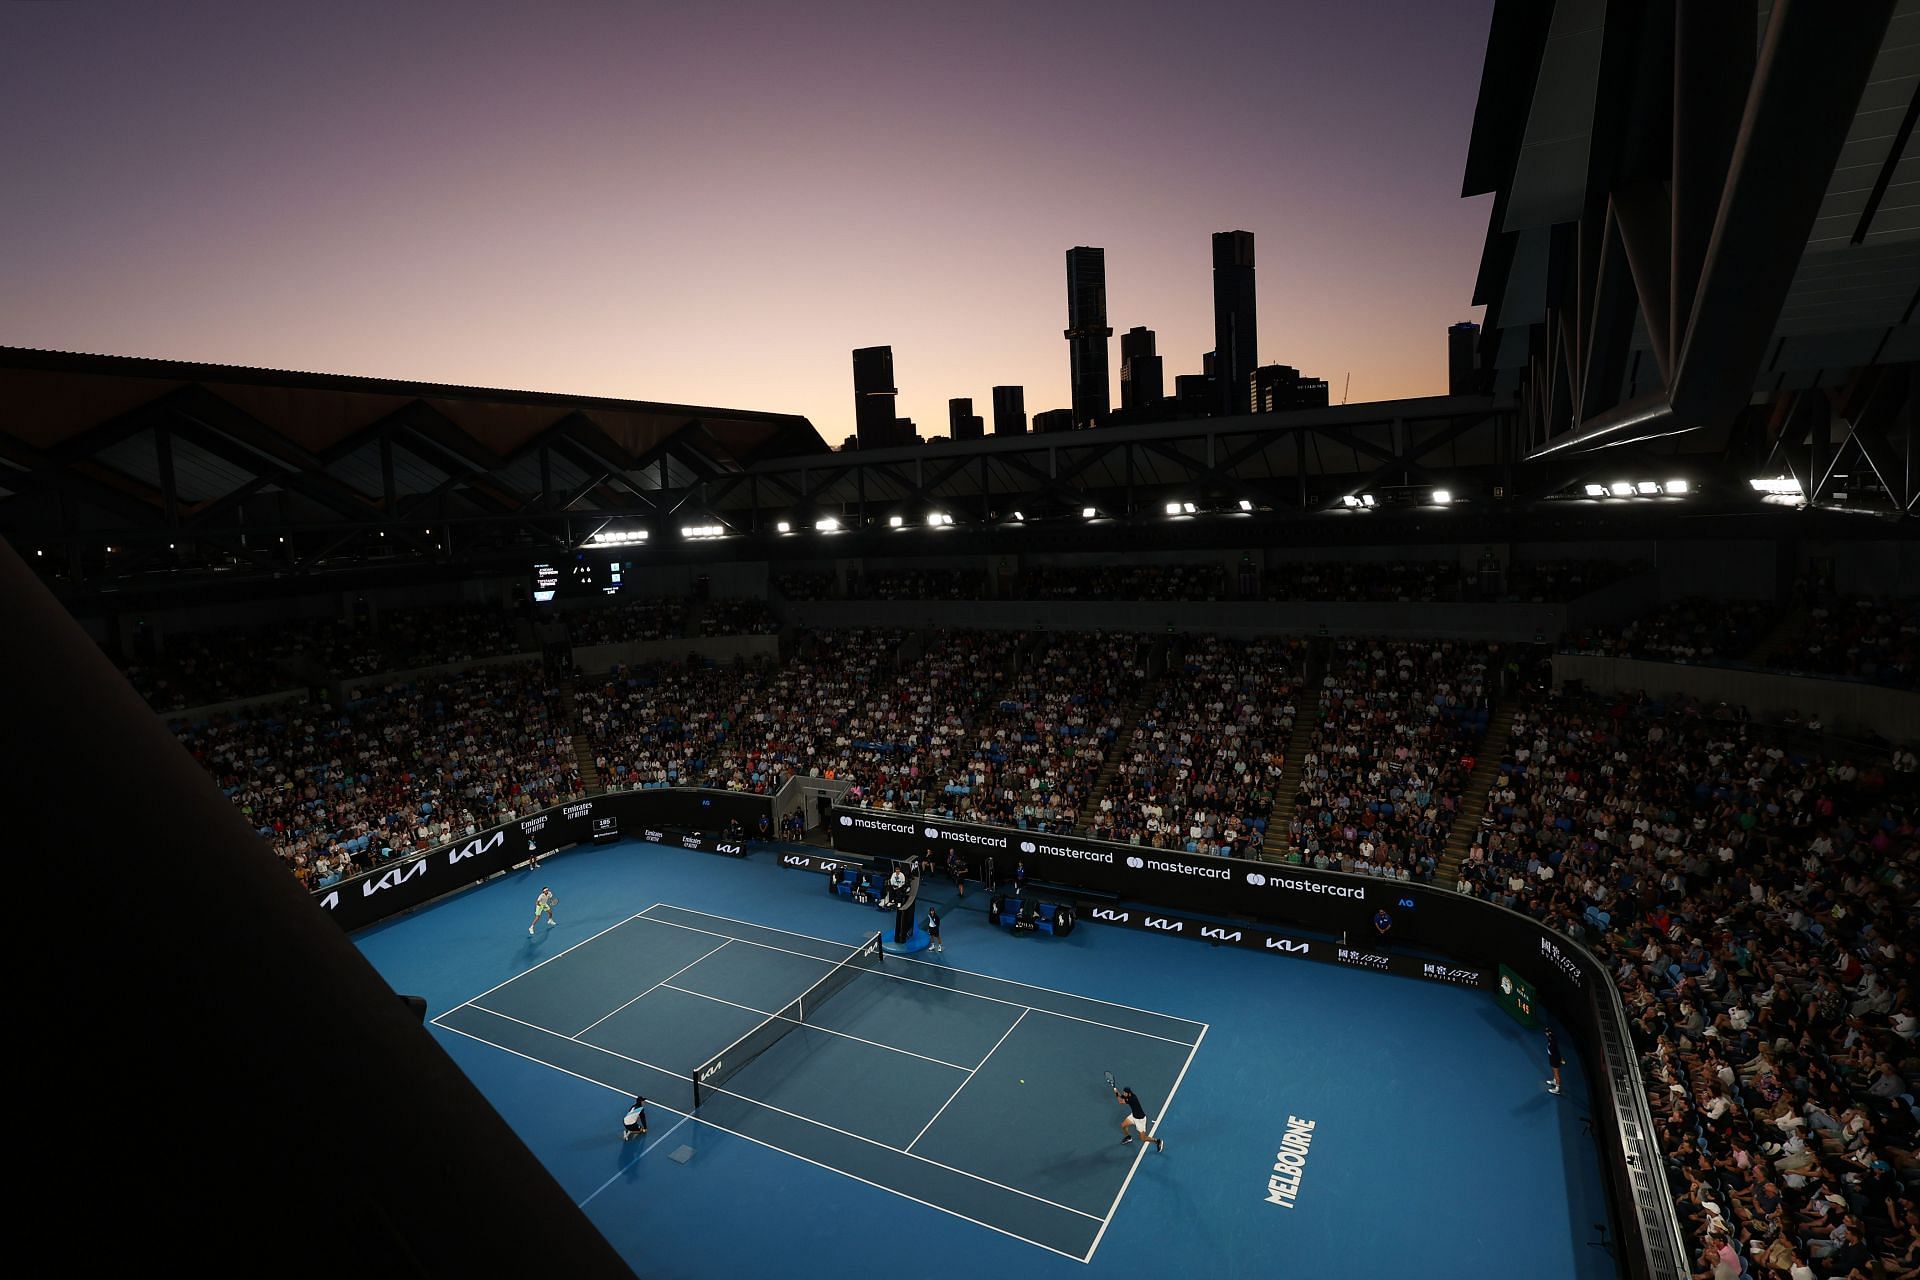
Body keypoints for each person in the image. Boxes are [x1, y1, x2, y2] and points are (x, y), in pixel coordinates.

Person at [1115, 1085, 1164, 1152]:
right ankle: (1128, 1137)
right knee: (1123, 1125)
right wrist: (1116, 1090)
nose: (1124, 1094)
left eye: (1125, 1093)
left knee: (1143, 1138)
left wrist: (1116, 1092)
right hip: (1133, 1116)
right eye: (1124, 1092)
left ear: (1129, 1093)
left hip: (1140, 1120)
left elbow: (1120, 1101)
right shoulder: (1129, 1096)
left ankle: (1157, 1141)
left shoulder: (1133, 1099)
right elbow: (1122, 1096)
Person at [1545, 1026, 1565, 1095]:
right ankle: (1554, 1081)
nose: (1546, 1034)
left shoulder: (1553, 1041)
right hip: (1552, 1057)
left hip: (1555, 1059)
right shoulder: (1551, 1037)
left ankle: (1557, 1089)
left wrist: (1560, 1059)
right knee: (1553, 1070)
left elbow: (1555, 1051)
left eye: (1547, 1033)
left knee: (1557, 1074)